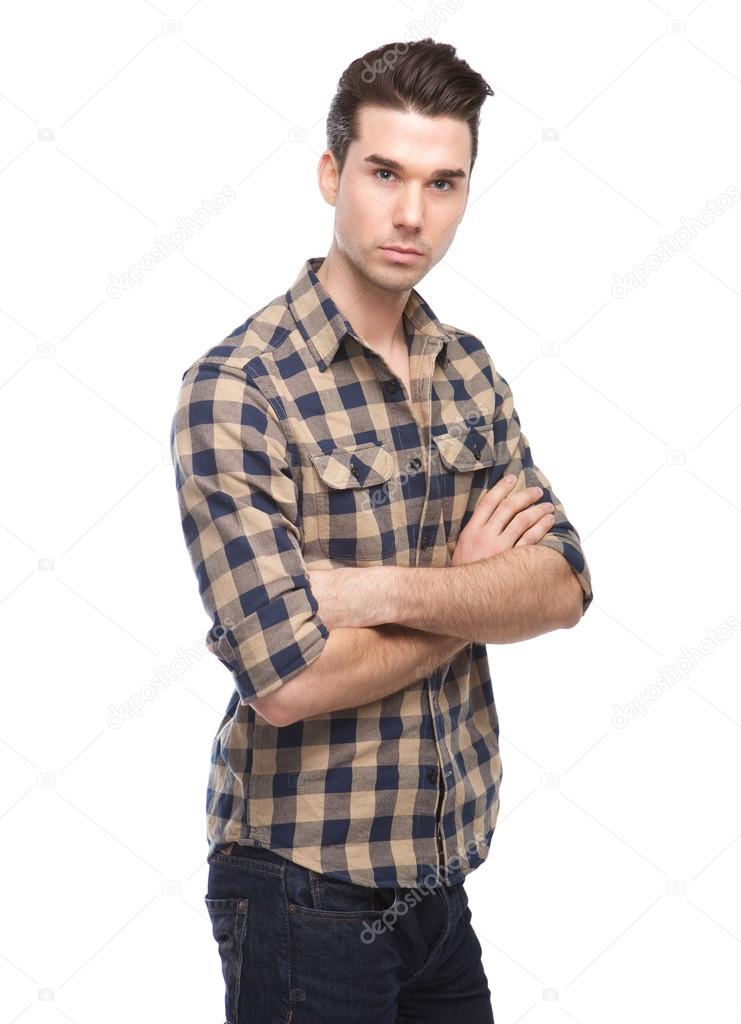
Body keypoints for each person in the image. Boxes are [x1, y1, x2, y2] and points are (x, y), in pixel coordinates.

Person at [170, 36, 593, 1024]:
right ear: (332, 173)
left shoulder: (469, 370)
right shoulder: (239, 388)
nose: (412, 213)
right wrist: (473, 594)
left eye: (444, 182)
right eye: (385, 173)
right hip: (298, 884)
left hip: (435, 880)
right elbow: (287, 681)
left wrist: (377, 589)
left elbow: (563, 583)